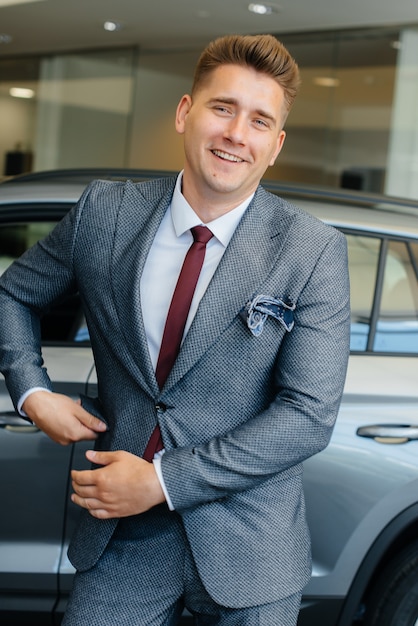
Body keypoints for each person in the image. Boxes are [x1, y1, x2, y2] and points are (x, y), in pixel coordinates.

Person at [0, 34, 350, 626]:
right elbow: (12, 293)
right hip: (122, 540)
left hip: (250, 545)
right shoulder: (105, 213)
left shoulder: (312, 250)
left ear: (275, 145)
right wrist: (33, 393)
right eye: (223, 108)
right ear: (186, 113)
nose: (237, 133)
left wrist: (162, 481)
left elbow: (308, 416)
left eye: (259, 121)